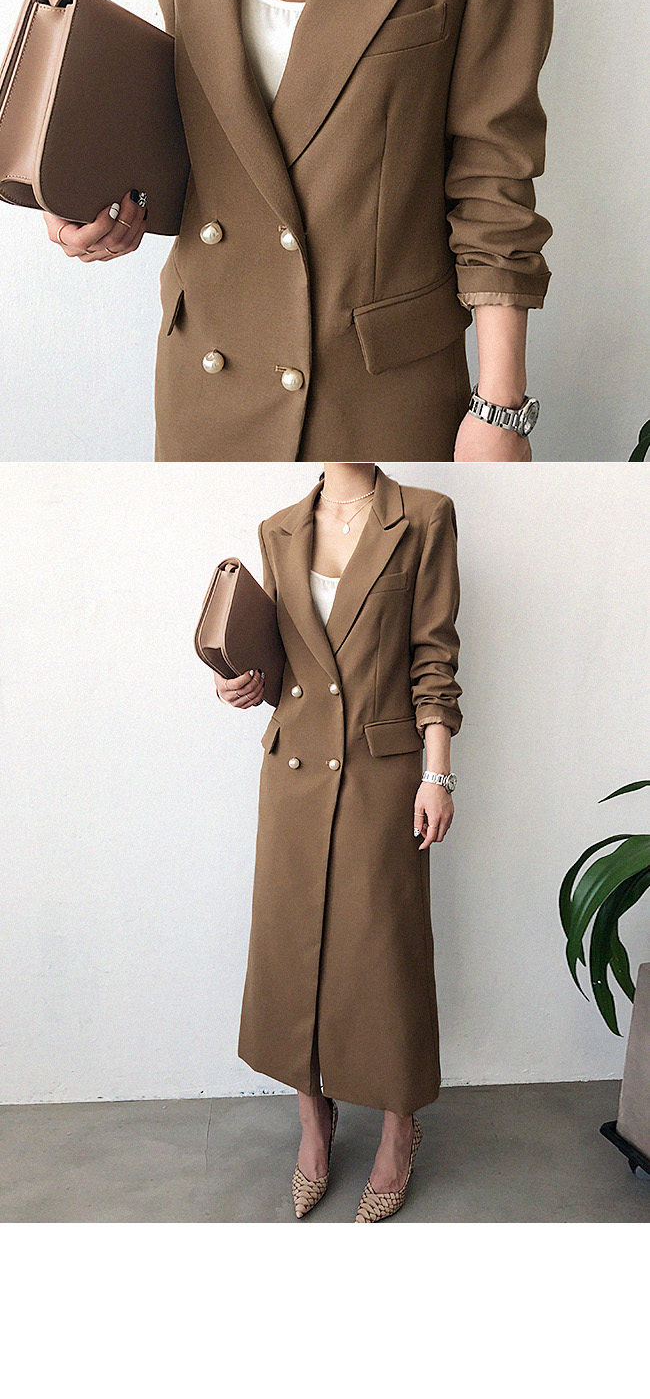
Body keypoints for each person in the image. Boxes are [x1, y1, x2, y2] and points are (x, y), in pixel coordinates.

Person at [46, 0, 556, 466]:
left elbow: (494, 153)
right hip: (210, 376)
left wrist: (501, 407)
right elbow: (215, 136)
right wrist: (99, 198)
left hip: (384, 389)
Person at [215, 461, 461, 1221]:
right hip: (293, 769)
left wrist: (437, 774)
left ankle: (398, 1128)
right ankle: (313, 1125)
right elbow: (287, 662)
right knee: (292, 947)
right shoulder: (279, 529)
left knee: (385, 952)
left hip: (381, 774)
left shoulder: (424, 515)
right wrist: (239, 682)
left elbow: (433, 656)